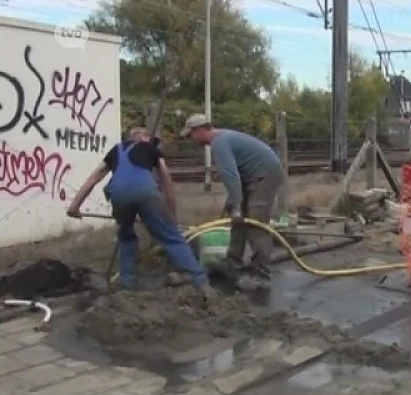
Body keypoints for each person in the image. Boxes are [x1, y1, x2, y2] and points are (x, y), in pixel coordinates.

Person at [66, 127, 216, 297]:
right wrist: (171, 215)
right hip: (145, 192)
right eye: (148, 137)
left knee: (126, 236)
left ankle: (127, 284)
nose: (152, 141)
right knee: (171, 238)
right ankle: (200, 282)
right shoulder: (150, 148)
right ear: (138, 136)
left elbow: (94, 178)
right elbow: (166, 180)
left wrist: (74, 206)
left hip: (118, 195)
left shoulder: (115, 150)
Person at [179, 114, 285, 292]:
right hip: (253, 177)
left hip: (264, 177)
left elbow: (231, 176)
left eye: (191, 135)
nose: (192, 140)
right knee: (238, 222)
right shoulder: (223, 138)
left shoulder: (219, 143)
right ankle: (232, 265)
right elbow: (239, 173)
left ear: (200, 130)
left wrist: (237, 205)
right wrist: (234, 203)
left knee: (256, 225)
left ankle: (261, 276)